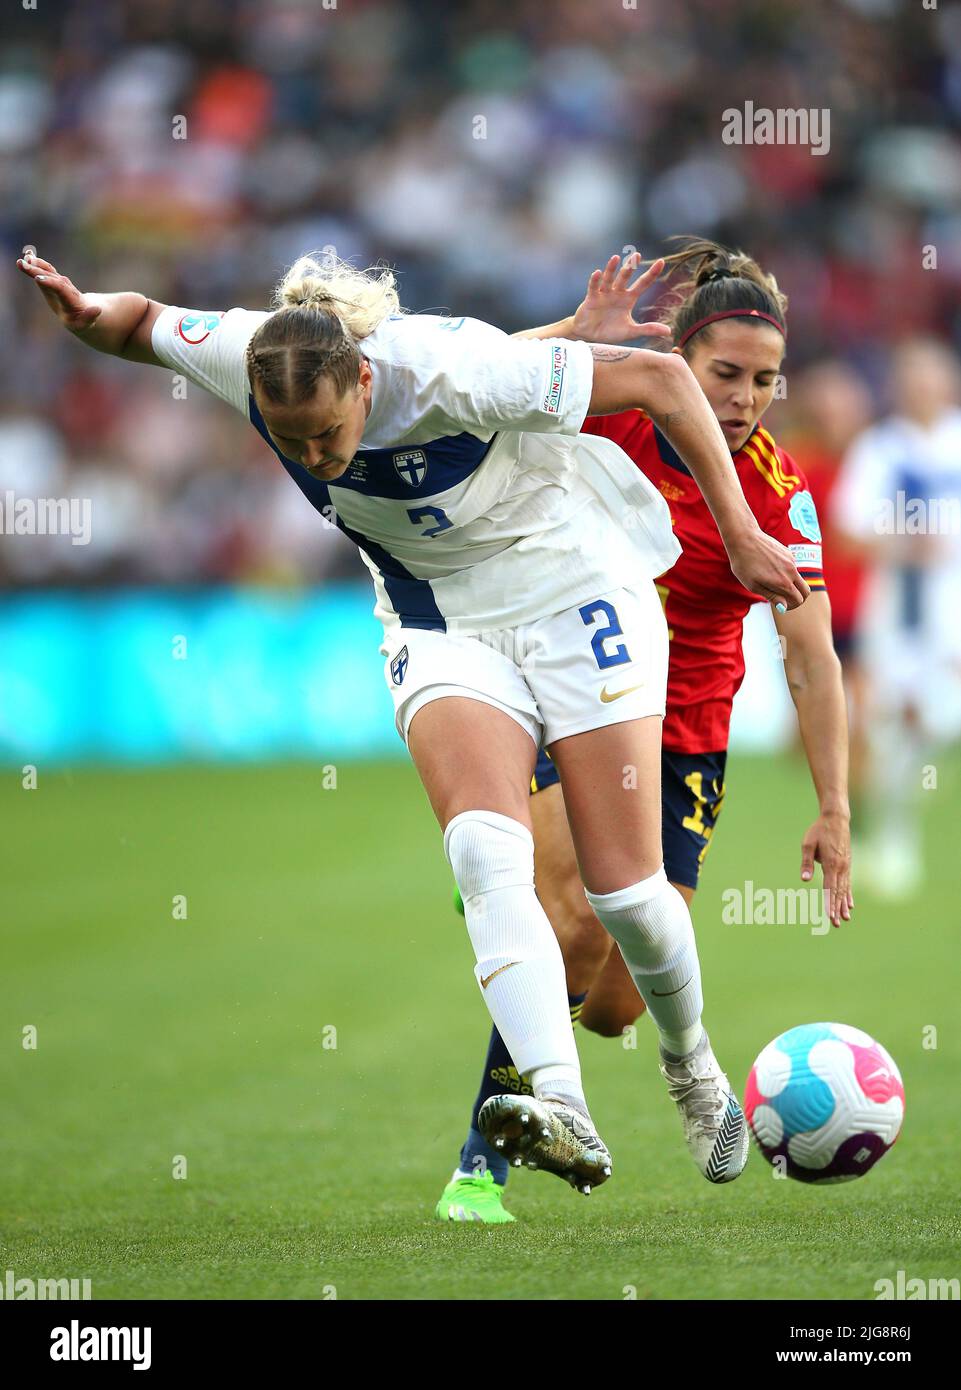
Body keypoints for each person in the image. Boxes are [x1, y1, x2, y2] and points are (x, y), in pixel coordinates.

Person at [17, 245, 807, 1197]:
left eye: (326, 433)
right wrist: (82, 308)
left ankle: (692, 1070)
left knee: (627, 895)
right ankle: (563, 1108)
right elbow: (141, 321)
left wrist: (737, 534)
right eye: (291, 441)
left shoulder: (453, 366)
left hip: (574, 593)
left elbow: (660, 377)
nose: (314, 457)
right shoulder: (256, 356)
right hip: (441, 623)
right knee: (482, 850)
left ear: (364, 377)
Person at [437, 242, 851, 1224]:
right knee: (570, 920)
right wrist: (567, 337)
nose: (746, 397)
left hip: (683, 737)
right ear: (679, 357)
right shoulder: (607, 411)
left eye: (762, 380)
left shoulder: (776, 494)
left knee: (618, 996)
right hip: (573, 696)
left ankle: (672, 1050)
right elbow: (464, 376)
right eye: (725, 375)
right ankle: (478, 1167)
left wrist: (833, 805)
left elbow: (810, 656)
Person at [831, 337, 961, 899]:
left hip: (953, 608)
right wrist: (906, 545)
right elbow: (844, 532)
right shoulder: (879, 450)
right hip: (902, 612)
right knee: (889, 722)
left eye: (930, 376)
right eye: (911, 377)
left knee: (937, 719)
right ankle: (894, 838)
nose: (922, 388)